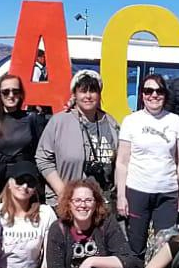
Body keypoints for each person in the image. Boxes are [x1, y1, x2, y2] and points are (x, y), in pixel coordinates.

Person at [115, 72, 179, 256]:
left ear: (165, 94)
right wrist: (121, 196)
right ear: (142, 94)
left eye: (159, 91)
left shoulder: (174, 121)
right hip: (137, 191)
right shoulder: (131, 121)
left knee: (165, 245)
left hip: (167, 193)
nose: (154, 95)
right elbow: (122, 162)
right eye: (148, 91)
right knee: (135, 244)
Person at [36, 69, 119, 199]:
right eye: (83, 91)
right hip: (66, 202)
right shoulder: (59, 121)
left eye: (92, 91)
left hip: (102, 202)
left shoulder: (111, 122)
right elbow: (43, 158)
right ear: (74, 94)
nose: (88, 96)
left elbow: (120, 162)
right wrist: (63, 193)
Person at [0, 74, 47, 204]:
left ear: (21, 94)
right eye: (6, 91)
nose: (11, 95)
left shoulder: (32, 119)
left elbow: (40, 156)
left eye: (16, 91)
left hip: (24, 184)